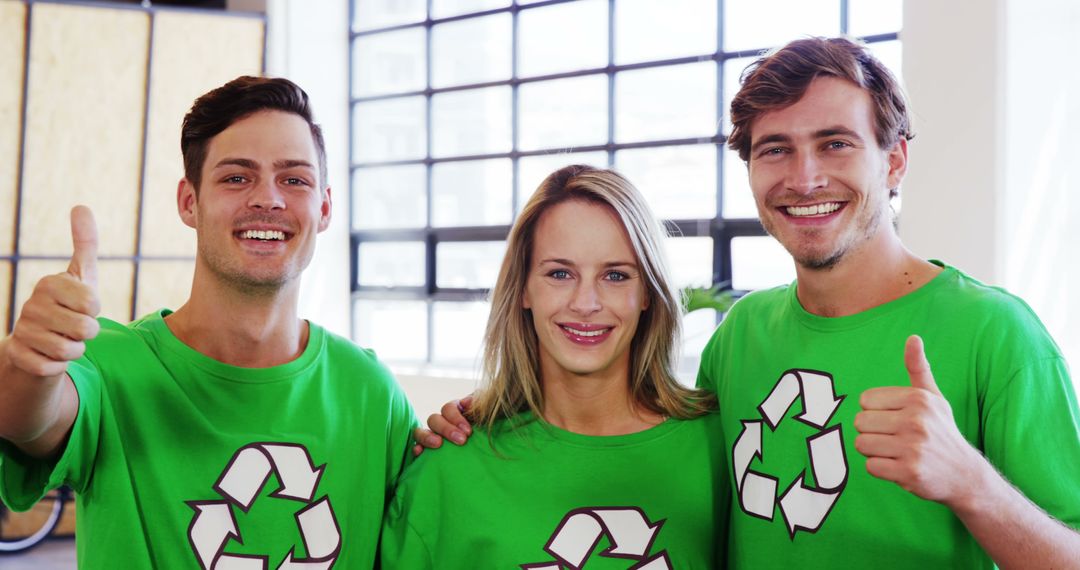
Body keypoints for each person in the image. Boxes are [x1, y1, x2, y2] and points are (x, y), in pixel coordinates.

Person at [419, 38, 1080, 568]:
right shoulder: (742, 336)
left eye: (835, 143)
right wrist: (501, 406)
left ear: (896, 160)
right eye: (776, 150)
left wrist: (972, 484)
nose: (805, 177)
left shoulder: (996, 333)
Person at [0, 76, 416, 568]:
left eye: (295, 179)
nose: (269, 199)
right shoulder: (109, 366)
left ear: (323, 208)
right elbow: (28, 418)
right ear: (188, 201)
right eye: (237, 177)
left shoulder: (369, 391)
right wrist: (31, 363)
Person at [382, 165, 728, 568]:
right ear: (524, 288)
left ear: (647, 293)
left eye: (615, 275)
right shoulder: (450, 468)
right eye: (560, 273)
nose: (585, 303)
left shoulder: (718, 449)